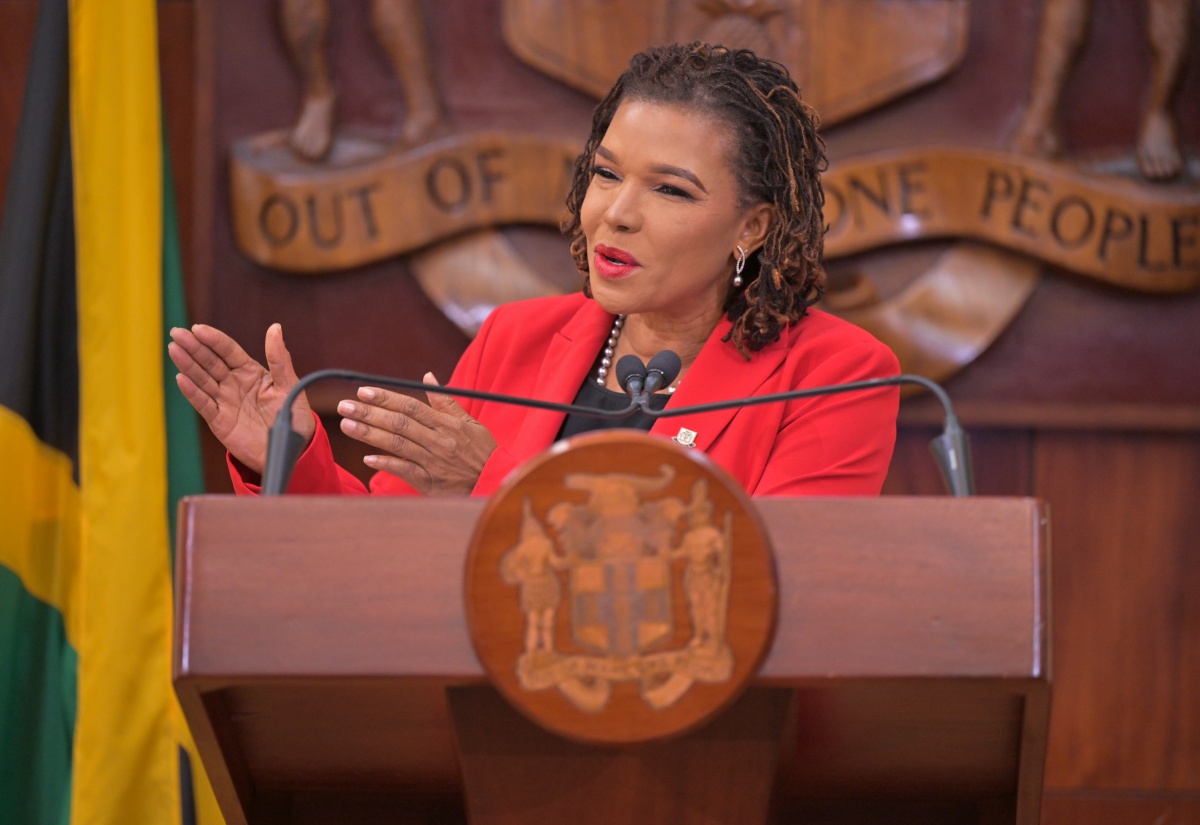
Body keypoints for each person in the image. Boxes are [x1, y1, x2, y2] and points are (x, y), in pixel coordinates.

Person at [168, 42, 900, 498]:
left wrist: (494, 484)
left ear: (753, 224)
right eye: (607, 174)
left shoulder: (837, 374)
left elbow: (761, 588)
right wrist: (289, 460)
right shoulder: (514, 339)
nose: (616, 212)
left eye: (670, 189)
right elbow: (384, 561)